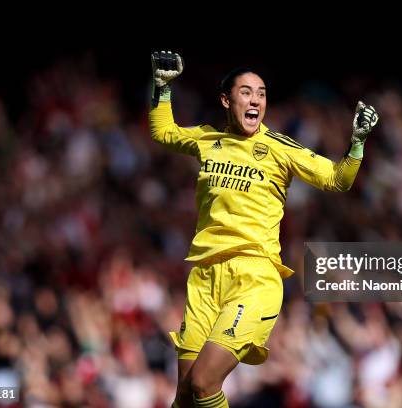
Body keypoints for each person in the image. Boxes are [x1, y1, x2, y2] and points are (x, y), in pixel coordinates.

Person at [149, 50, 378, 408]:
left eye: (262, 93)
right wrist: (162, 89)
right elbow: (163, 132)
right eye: (246, 92)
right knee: (184, 395)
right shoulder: (208, 140)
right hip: (205, 278)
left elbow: (337, 180)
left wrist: (358, 144)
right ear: (226, 100)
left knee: (206, 383)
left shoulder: (278, 148)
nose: (255, 99)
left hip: (254, 277)